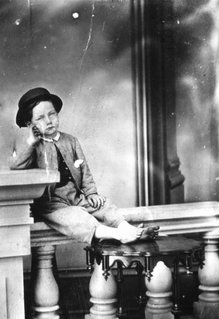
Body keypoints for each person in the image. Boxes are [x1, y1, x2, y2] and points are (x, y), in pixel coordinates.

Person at [10, 87, 159, 245]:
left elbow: (84, 171)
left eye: (52, 114)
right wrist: (31, 142)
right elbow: (16, 165)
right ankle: (119, 234)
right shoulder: (33, 146)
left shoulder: (70, 141)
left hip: (75, 196)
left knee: (104, 205)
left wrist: (91, 193)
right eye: (40, 118)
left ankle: (127, 228)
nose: (48, 121)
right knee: (77, 217)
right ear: (30, 124)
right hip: (51, 204)